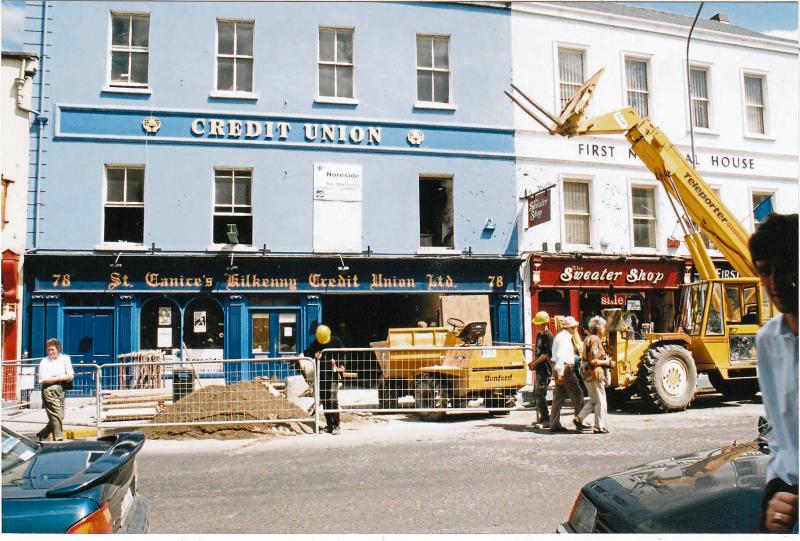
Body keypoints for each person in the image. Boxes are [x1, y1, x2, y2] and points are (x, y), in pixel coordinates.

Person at [749, 213, 799, 533]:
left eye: (786, 266)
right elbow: (782, 439)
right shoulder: (767, 340)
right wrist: (777, 489)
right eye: (765, 271)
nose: (775, 282)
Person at [575, 316, 616, 434]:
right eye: (603, 327)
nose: (604, 329)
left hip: (586, 373)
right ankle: (599, 426)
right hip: (595, 373)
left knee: (593, 400)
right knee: (601, 401)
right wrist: (607, 362)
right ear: (598, 328)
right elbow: (594, 360)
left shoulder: (587, 338)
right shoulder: (595, 339)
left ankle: (579, 418)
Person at [303, 324, 345, 435]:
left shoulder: (336, 342)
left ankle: (336, 424)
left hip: (333, 375)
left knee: (333, 399)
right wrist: (314, 354)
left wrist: (342, 366)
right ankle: (330, 424)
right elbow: (306, 352)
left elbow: (343, 354)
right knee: (325, 399)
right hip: (321, 375)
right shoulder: (316, 343)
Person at [549, 316, 585, 432]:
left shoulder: (560, 336)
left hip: (559, 367)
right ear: (569, 327)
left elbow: (561, 354)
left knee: (558, 397)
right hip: (565, 369)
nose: (575, 329)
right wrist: (561, 373)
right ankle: (579, 421)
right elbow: (561, 356)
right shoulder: (565, 338)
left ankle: (554, 423)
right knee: (578, 394)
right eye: (574, 327)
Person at [37, 338, 74, 442]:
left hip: (61, 389)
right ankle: (58, 440)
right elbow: (43, 379)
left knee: (60, 416)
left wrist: (56, 378)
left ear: (58, 349)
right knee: (56, 415)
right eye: (48, 350)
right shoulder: (44, 361)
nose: (50, 352)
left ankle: (43, 434)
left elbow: (70, 375)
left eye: (52, 349)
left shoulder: (65, 358)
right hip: (49, 390)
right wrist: (61, 377)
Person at [528, 311, 553, 428]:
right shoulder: (539, 334)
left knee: (540, 393)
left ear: (544, 323)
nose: (537, 326)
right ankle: (542, 417)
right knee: (536, 393)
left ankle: (546, 418)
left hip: (545, 369)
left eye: (539, 324)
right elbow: (538, 352)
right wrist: (533, 362)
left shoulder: (548, 336)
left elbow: (546, 355)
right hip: (539, 368)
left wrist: (535, 363)